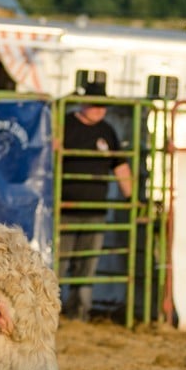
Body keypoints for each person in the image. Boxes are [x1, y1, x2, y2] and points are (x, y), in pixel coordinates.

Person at [58, 81, 132, 322]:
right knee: (60, 263)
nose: (100, 109)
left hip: (95, 210)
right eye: (96, 104)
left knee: (87, 265)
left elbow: (120, 165)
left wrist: (131, 197)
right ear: (83, 103)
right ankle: (52, 312)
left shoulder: (107, 131)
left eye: (103, 105)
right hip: (65, 208)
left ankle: (79, 313)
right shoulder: (65, 125)